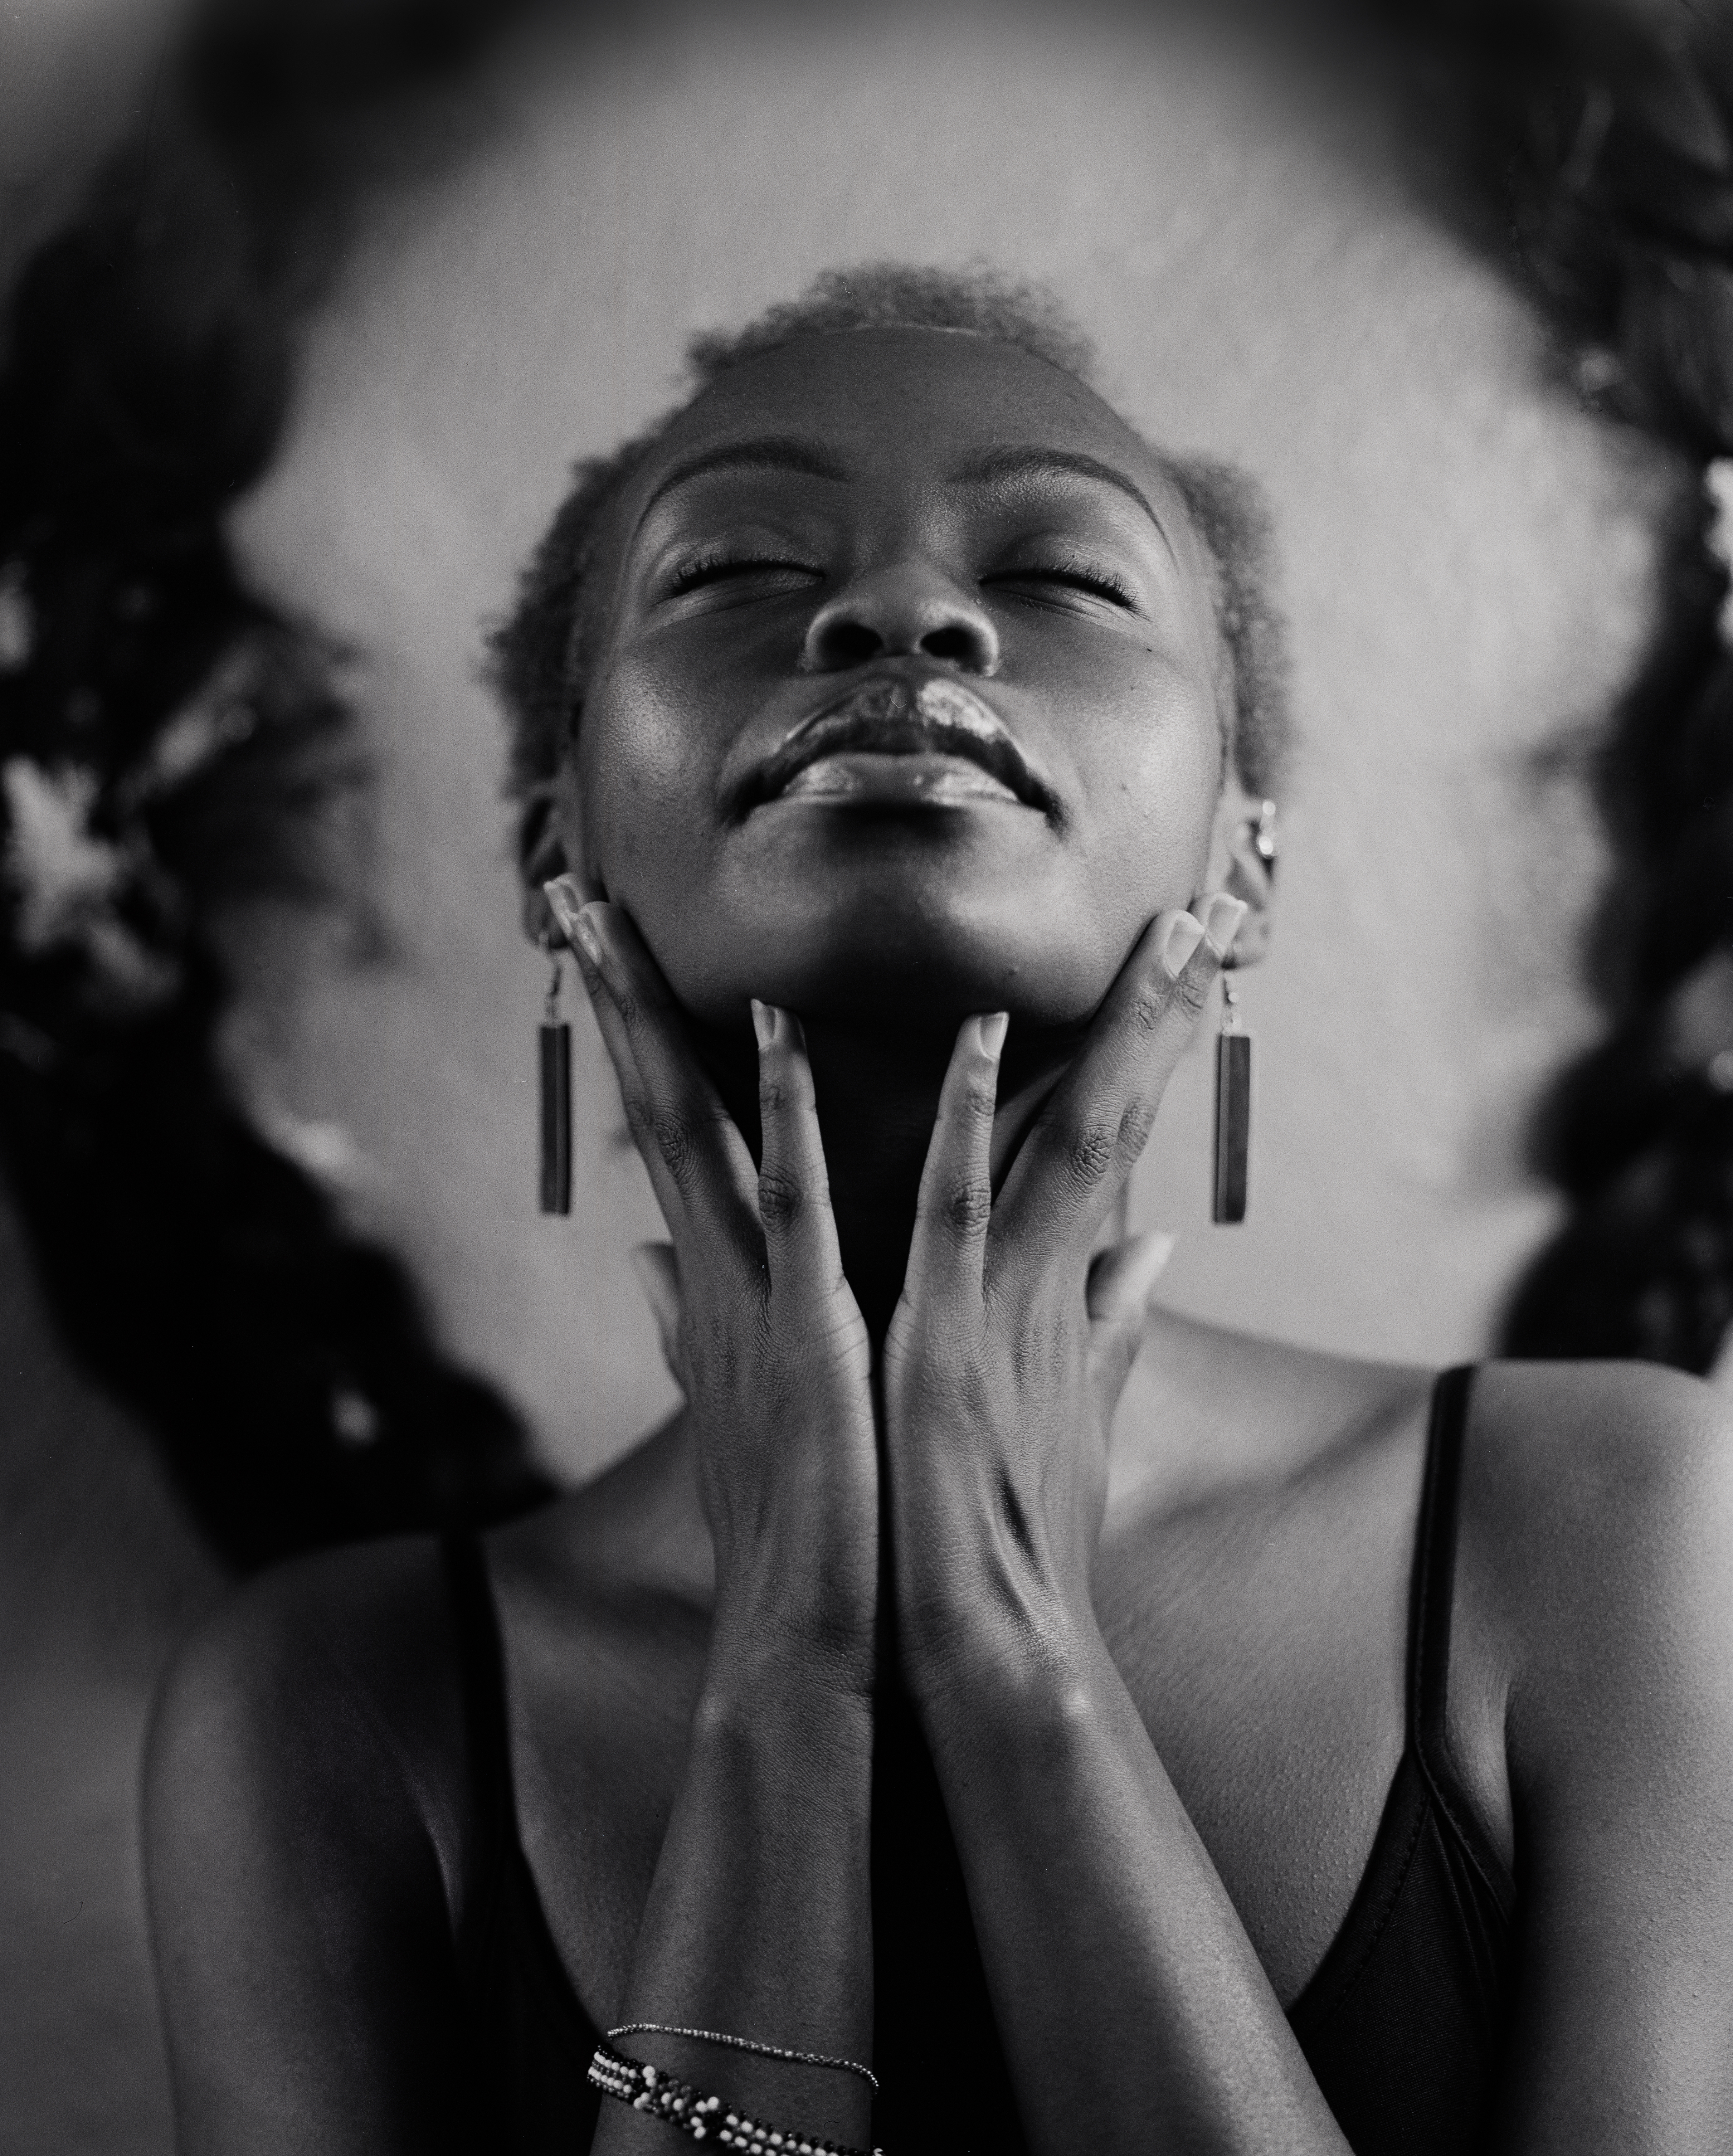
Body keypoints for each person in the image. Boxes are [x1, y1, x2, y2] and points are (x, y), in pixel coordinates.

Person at [143, 266, 1733, 2156]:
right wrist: (788, 1676)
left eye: (1063, 574)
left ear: (1243, 857)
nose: (901, 613)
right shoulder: (328, 1717)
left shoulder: (1611, 1521)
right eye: (735, 570)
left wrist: (1009, 1645)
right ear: (557, 841)